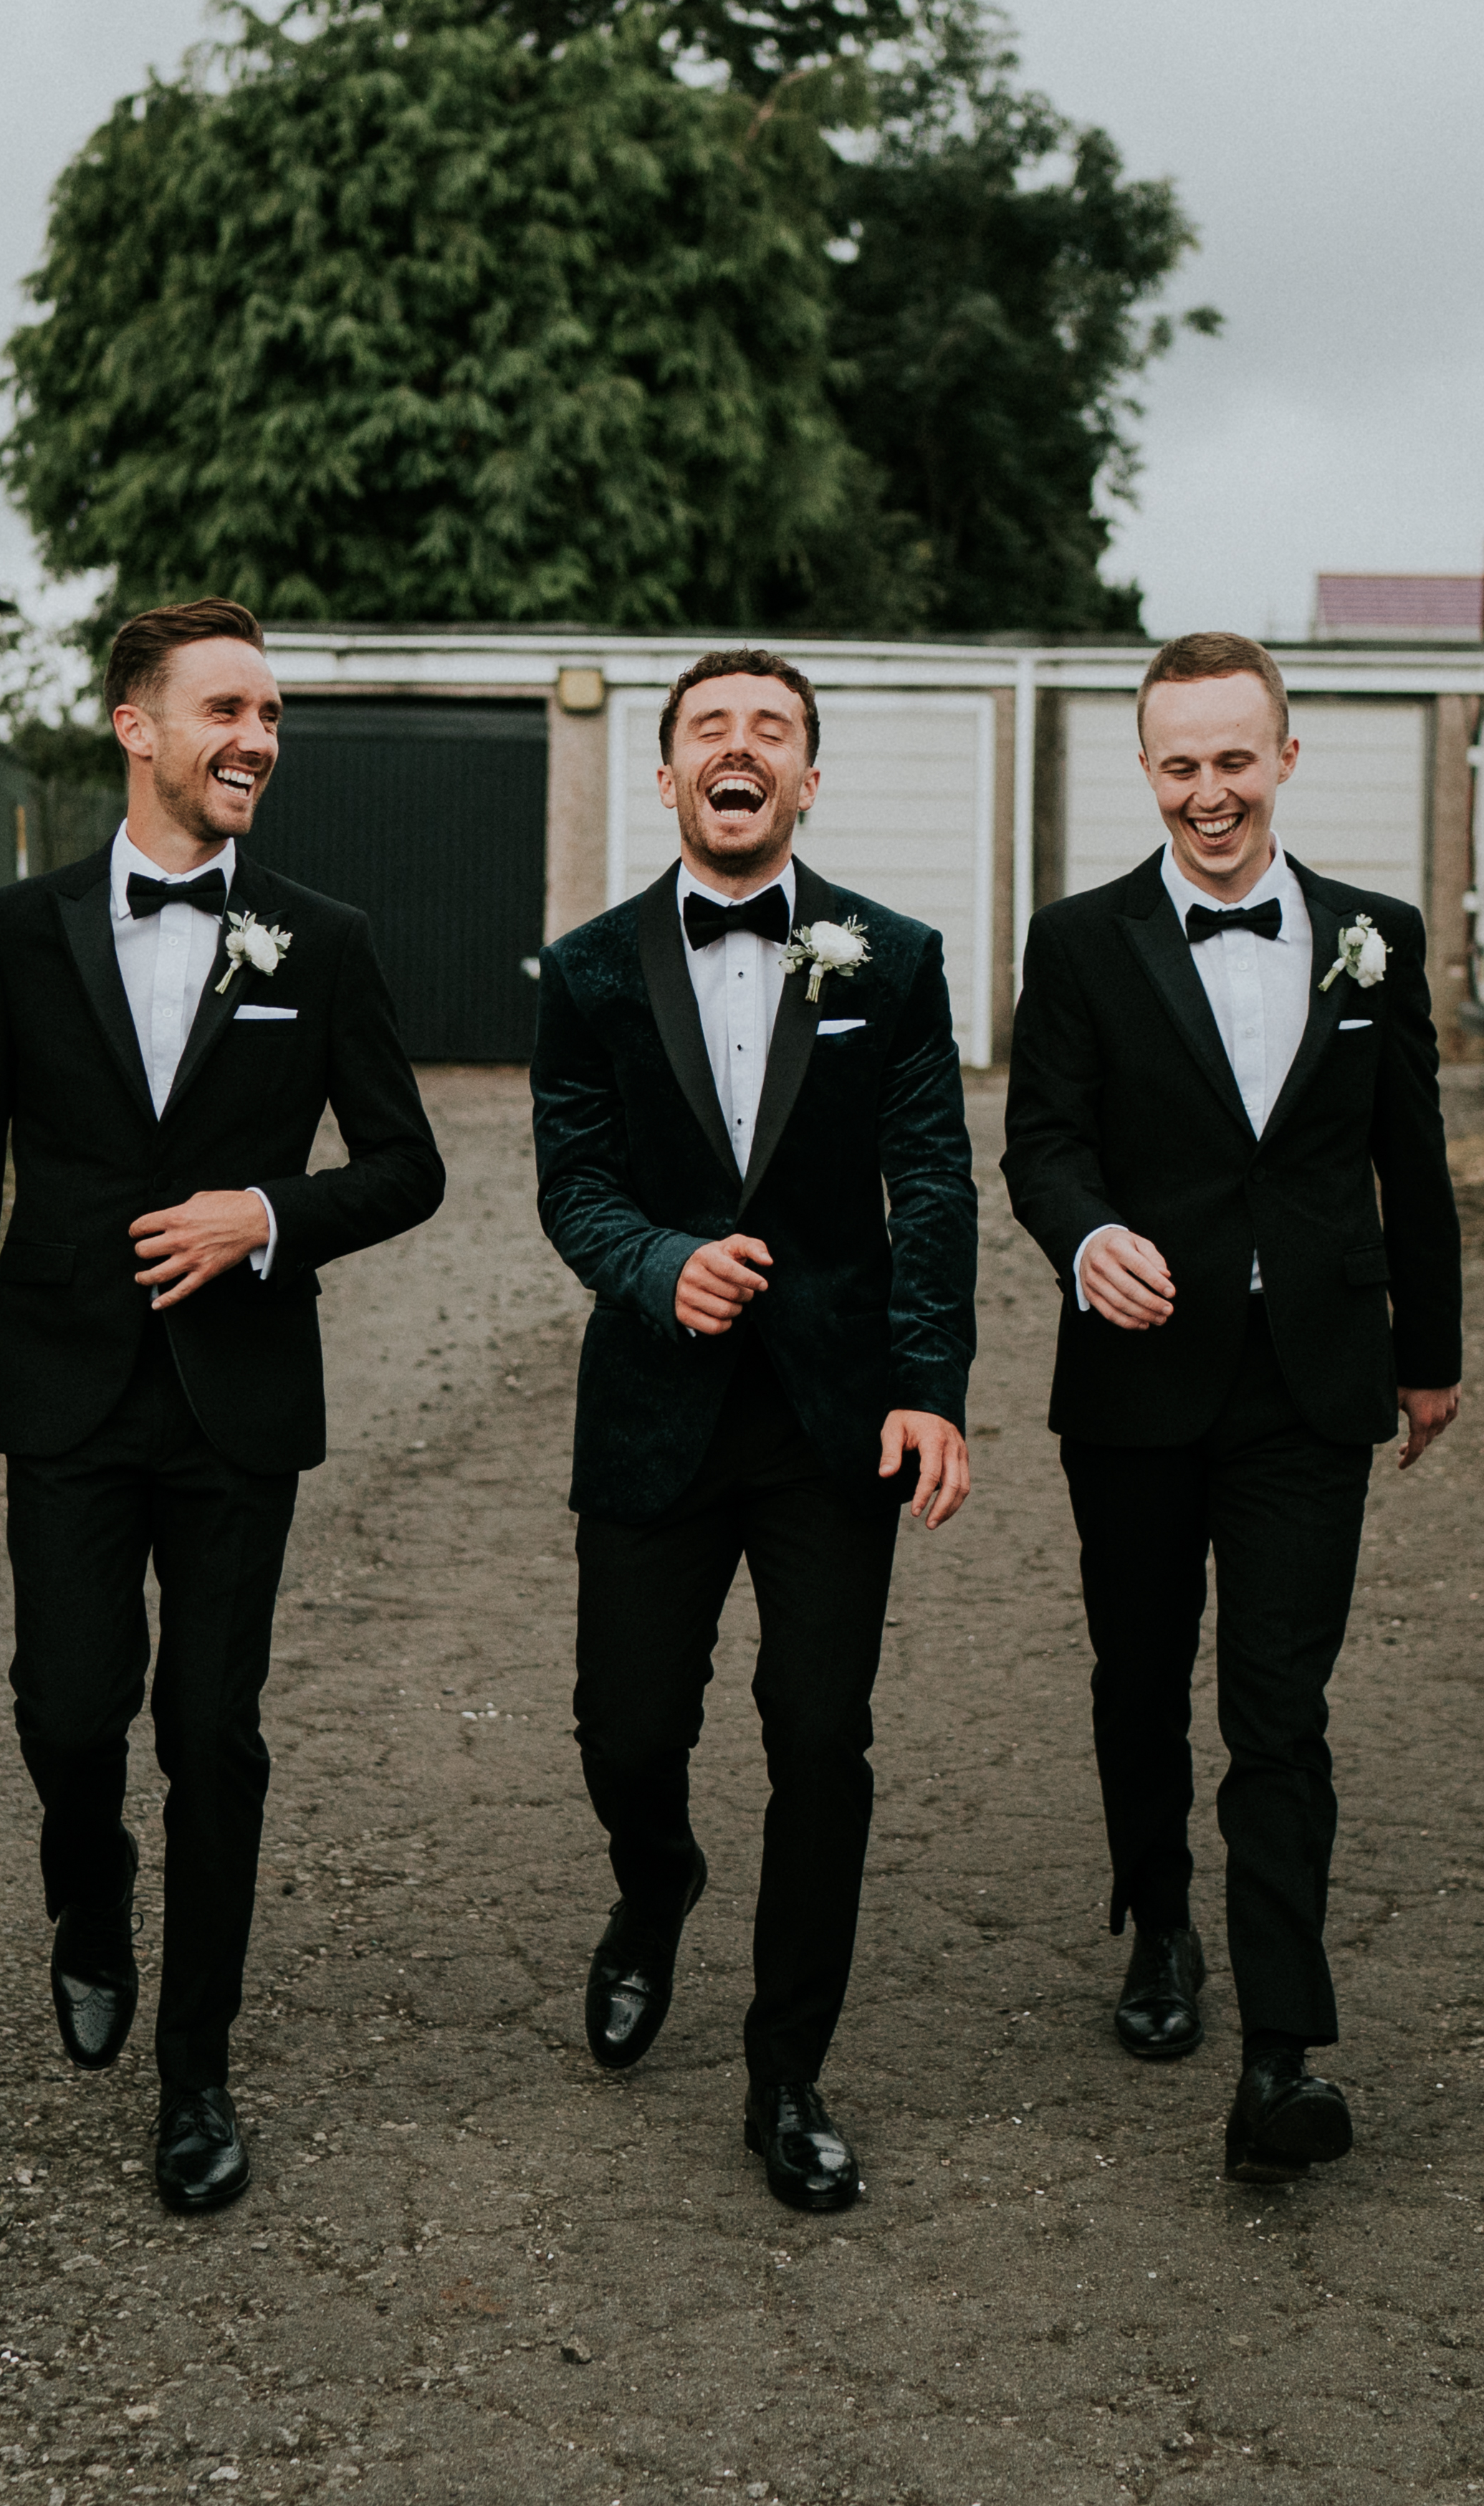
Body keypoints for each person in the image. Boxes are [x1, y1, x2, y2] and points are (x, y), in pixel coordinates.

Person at [0, 598, 441, 2215]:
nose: (256, 738)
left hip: (236, 1404)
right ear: (136, 726)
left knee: (212, 1731)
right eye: (225, 708)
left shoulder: (321, 937)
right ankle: (87, 1891)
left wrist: (262, 1215)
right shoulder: (14, 929)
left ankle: (195, 2070)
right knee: (71, 1711)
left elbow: (406, 1164)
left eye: (271, 712)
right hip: (61, 1388)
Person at [1000, 631, 1465, 2183]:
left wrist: (1431, 1347)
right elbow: (1042, 1146)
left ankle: (1281, 2053)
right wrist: (1087, 1236)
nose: (1210, 791)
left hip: (1309, 1386)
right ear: (1147, 772)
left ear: (1284, 755)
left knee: (1280, 1708)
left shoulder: (1374, 940)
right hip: (1136, 1376)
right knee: (1140, 1674)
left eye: (1234, 758)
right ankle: (1157, 1923)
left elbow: (1413, 1159)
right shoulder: (1074, 944)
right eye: (1179, 764)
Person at [527, 649, 977, 2214]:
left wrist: (930, 1385)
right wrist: (660, 1267)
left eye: (770, 730)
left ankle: (787, 2074)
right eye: (709, 728)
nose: (740, 747)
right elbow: (572, 1187)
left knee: (819, 1737)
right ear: (666, 778)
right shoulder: (583, 973)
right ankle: (654, 1886)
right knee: (628, 1730)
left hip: (828, 1415)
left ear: (804, 776)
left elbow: (930, 1188)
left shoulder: (895, 960)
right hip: (654, 1406)